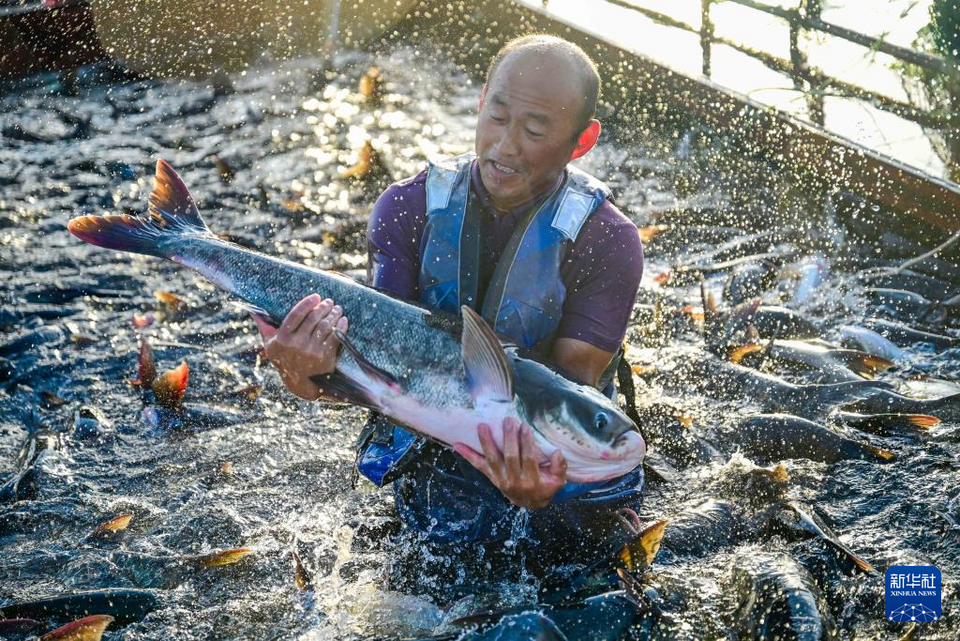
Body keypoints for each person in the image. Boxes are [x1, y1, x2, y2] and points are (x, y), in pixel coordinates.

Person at [253, 35, 645, 592]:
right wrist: (301, 373)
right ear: (482, 99)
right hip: (426, 446)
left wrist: (549, 485)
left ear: (581, 141)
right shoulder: (408, 208)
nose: (504, 146)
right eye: (497, 115)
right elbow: (365, 365)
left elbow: (571, 393)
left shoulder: (608, 241)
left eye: (534, 131)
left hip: (553, 469)